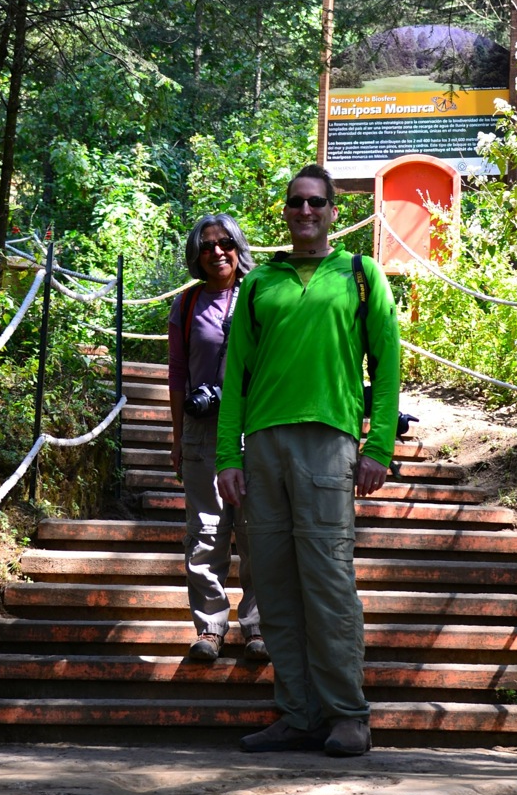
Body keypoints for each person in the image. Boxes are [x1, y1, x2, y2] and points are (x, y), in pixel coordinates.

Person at [215, 164, 401, 758]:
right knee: (272, 583)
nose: (305, 212)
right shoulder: (259, 282)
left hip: (330, 442)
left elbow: (388, 365)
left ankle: (349, 715)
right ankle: (297, 713)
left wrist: (378, 448)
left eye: (316, 203)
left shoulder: (360, 274)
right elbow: (234, 375)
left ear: (333, 210)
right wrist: (227, 455)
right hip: (263, 446)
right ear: (286, 210)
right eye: (296, 203)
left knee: (327, 583)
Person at [169, 213, 265, 664]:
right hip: (203, 430)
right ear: (197, 255)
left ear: (238, 246)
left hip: (254, 425)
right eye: (207, 245)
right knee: (205, 533)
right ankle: (209, 628)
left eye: (226, 242)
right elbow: (177, 376)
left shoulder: (260, 295)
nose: (217, 251)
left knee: (255, 533)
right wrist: (176, 435)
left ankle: (258, 628)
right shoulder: (187, 305)